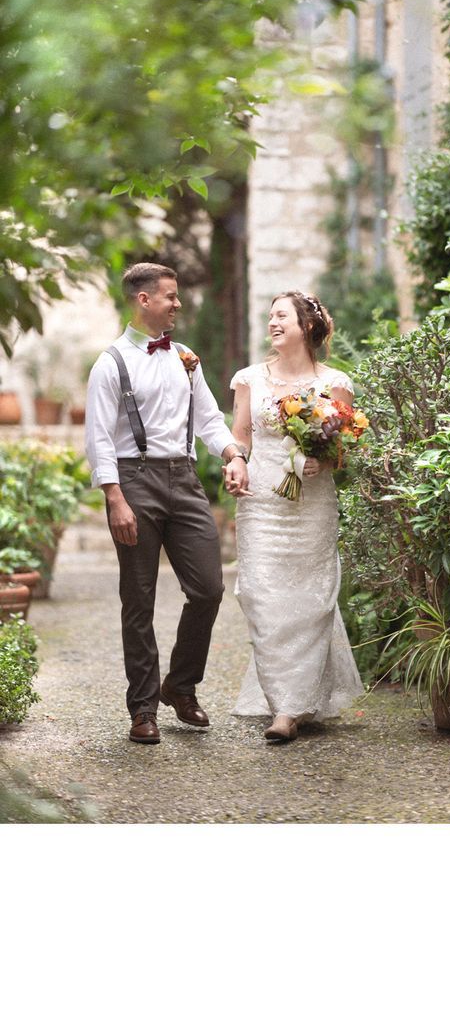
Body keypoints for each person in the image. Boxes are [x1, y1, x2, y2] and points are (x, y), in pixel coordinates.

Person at [83, 262, 249, 745]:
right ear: (144, 300)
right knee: (139, 599)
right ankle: (142, 707)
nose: (178, 304)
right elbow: (97, 437)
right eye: (170, 296)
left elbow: (209, 419)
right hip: (134, 482)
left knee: (209, 588)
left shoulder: (184, 359)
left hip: (185, 478)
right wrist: (114, 497)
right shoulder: (109, 363)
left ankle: (180, 685)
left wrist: (233, 452)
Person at [226, 290, 365, 744]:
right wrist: (236, 462)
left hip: (312, 507)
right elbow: (241, 437)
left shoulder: (335, 382)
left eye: (281, 315)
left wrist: (321, 461)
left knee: (310, 601)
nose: (272, 323)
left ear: (306, 326)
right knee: (260, 597)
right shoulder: (249, 379)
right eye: (270, 316)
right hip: (261, 504)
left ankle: (289, 708)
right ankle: (281, 696)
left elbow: (341, 450)